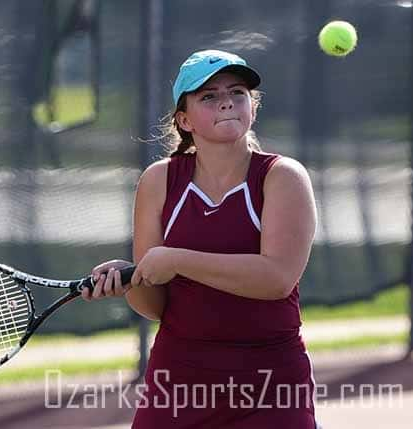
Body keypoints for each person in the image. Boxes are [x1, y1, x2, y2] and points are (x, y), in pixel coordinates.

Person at [82, 49, 318, 428]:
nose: (226, 101)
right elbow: (156, 304)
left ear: (252, 108)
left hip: (272, 384)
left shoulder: (282, 176)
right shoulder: (159, 181)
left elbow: (277, 279)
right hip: (177, 379)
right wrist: (129, 281)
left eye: (237, 92)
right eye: (208, 95)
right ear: (185, 120)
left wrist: (175, 259)